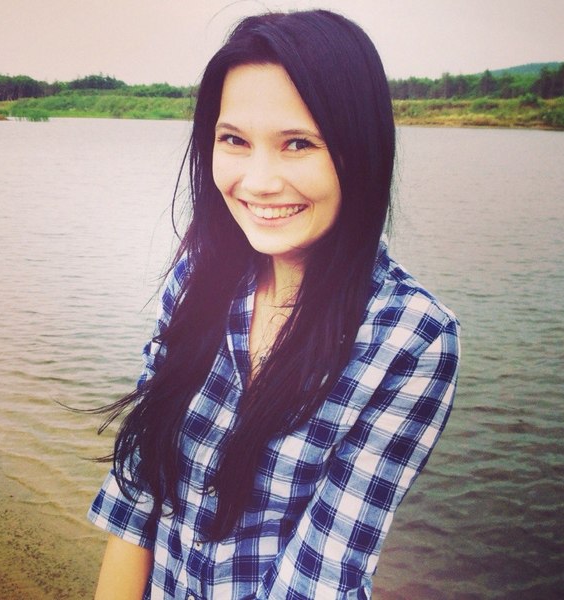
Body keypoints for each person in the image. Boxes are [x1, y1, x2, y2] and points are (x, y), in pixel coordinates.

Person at [88, 9, 460, 600]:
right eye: (234, 140)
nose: (259, 181)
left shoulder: (409, 337)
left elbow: (322, 573)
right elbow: (138, 495)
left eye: (298, 143)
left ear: (361, 151)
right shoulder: (197, 276)